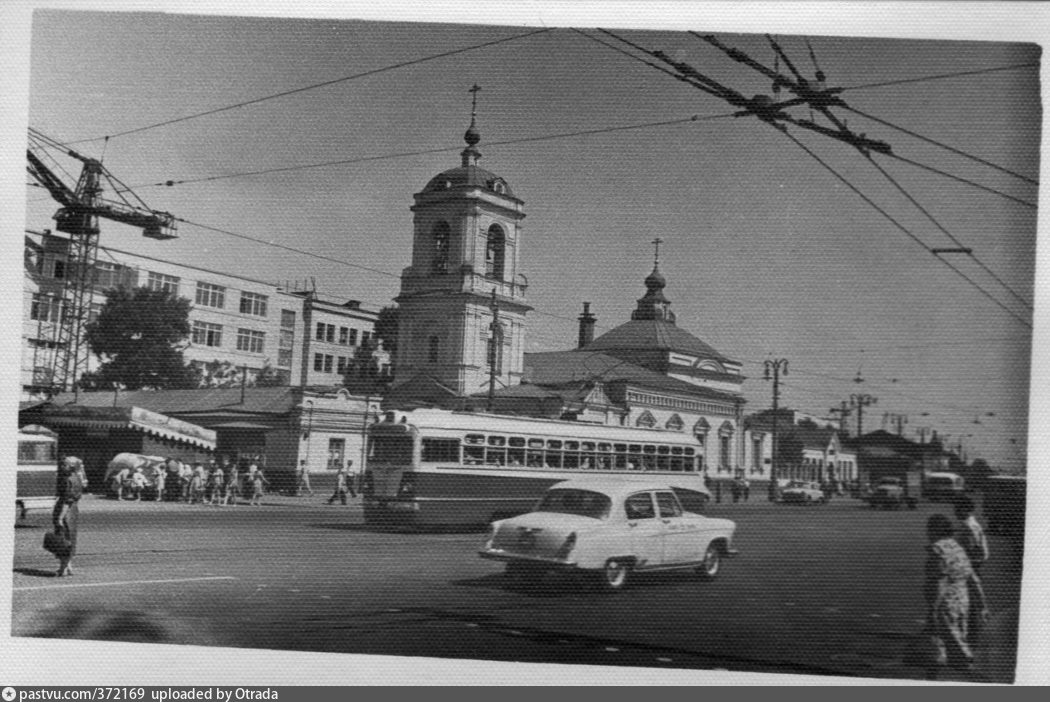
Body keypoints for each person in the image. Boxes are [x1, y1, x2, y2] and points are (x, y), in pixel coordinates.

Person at [923, 513, 989, 678]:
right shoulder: (958, 547)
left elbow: (940, 582)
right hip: (962, 600)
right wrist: (982, 605)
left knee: (954, 644)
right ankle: (933, 675)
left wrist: (933, 608)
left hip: (945, 603)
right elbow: (973, 578)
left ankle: (975, 675)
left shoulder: (938, 550)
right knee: (948, 640)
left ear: (933, 530)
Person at [52, 456, 85, 577]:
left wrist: (60, 517)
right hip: (74, 510)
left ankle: (63, 568)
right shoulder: (77, 477)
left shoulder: (68, 480)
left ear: (71, 467)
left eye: (64, 465)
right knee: (70, 537)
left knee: (63, 539)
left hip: (66, 511)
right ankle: (69, 566)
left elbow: (67, 500)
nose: (62, 466)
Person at [954, 496, 990, 571]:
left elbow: (974, 548)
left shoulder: (970, 526)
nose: (955, 511)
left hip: (972, 564)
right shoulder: (966, 525)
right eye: (955, 508)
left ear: (966, 509)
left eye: (958, 508)